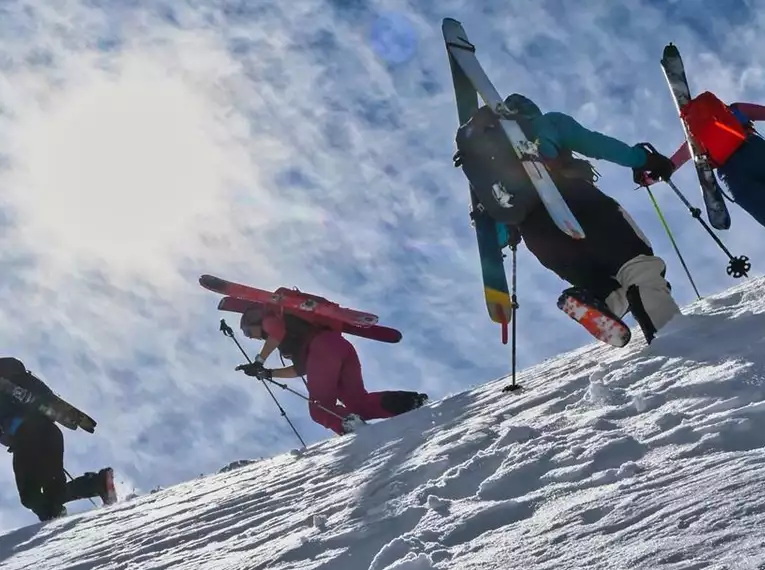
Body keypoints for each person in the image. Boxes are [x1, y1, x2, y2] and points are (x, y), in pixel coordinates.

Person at [455, 93, 682, 346]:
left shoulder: (492, 162)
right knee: (638, 266)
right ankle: (676, 337)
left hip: (538, 235)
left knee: (602, 284)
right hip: (577, 203)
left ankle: (602, 298)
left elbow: (500, 227)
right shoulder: (547, 123)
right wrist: (644, 159)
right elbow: (597, 144)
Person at [234, 307, 428, 435]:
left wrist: (259, 361)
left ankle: (350, 427)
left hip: (321, 349)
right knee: (358, 403)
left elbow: (276, 332)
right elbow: (300, 369)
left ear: (253, 320)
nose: (250, 338)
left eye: (248, 332)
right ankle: (407, 402)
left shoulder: (270, 318)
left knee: (320, 409)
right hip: (340, 347)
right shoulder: (291, 334)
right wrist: (268, 373)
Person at [0, 357, 117, 522]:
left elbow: (35, 395)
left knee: (30, 497)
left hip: (28, 437)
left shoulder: (7, 380)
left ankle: (55, 513)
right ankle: (95, 485)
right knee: (53, 493)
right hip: (48, 434)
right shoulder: (16, 377)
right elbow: (44, 396)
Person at [648, 91, 765, 228]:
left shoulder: (695, 138)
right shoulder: (734, 110)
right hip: (755, 149)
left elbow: (675, 161)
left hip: (731, 173)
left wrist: (651, 178)